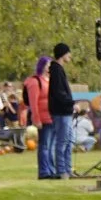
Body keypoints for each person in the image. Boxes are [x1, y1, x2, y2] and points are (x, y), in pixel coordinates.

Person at [44, 45, 76, 178]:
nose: (70, 55)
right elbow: (58, 93)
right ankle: (61, 170)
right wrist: (71, 102)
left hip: (66, 111)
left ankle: (68, 169)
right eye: (68, 53)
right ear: (62, 54)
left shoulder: (59, 70)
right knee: (62, 142)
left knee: (69, 141)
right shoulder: (56, 71)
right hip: (61, 112)